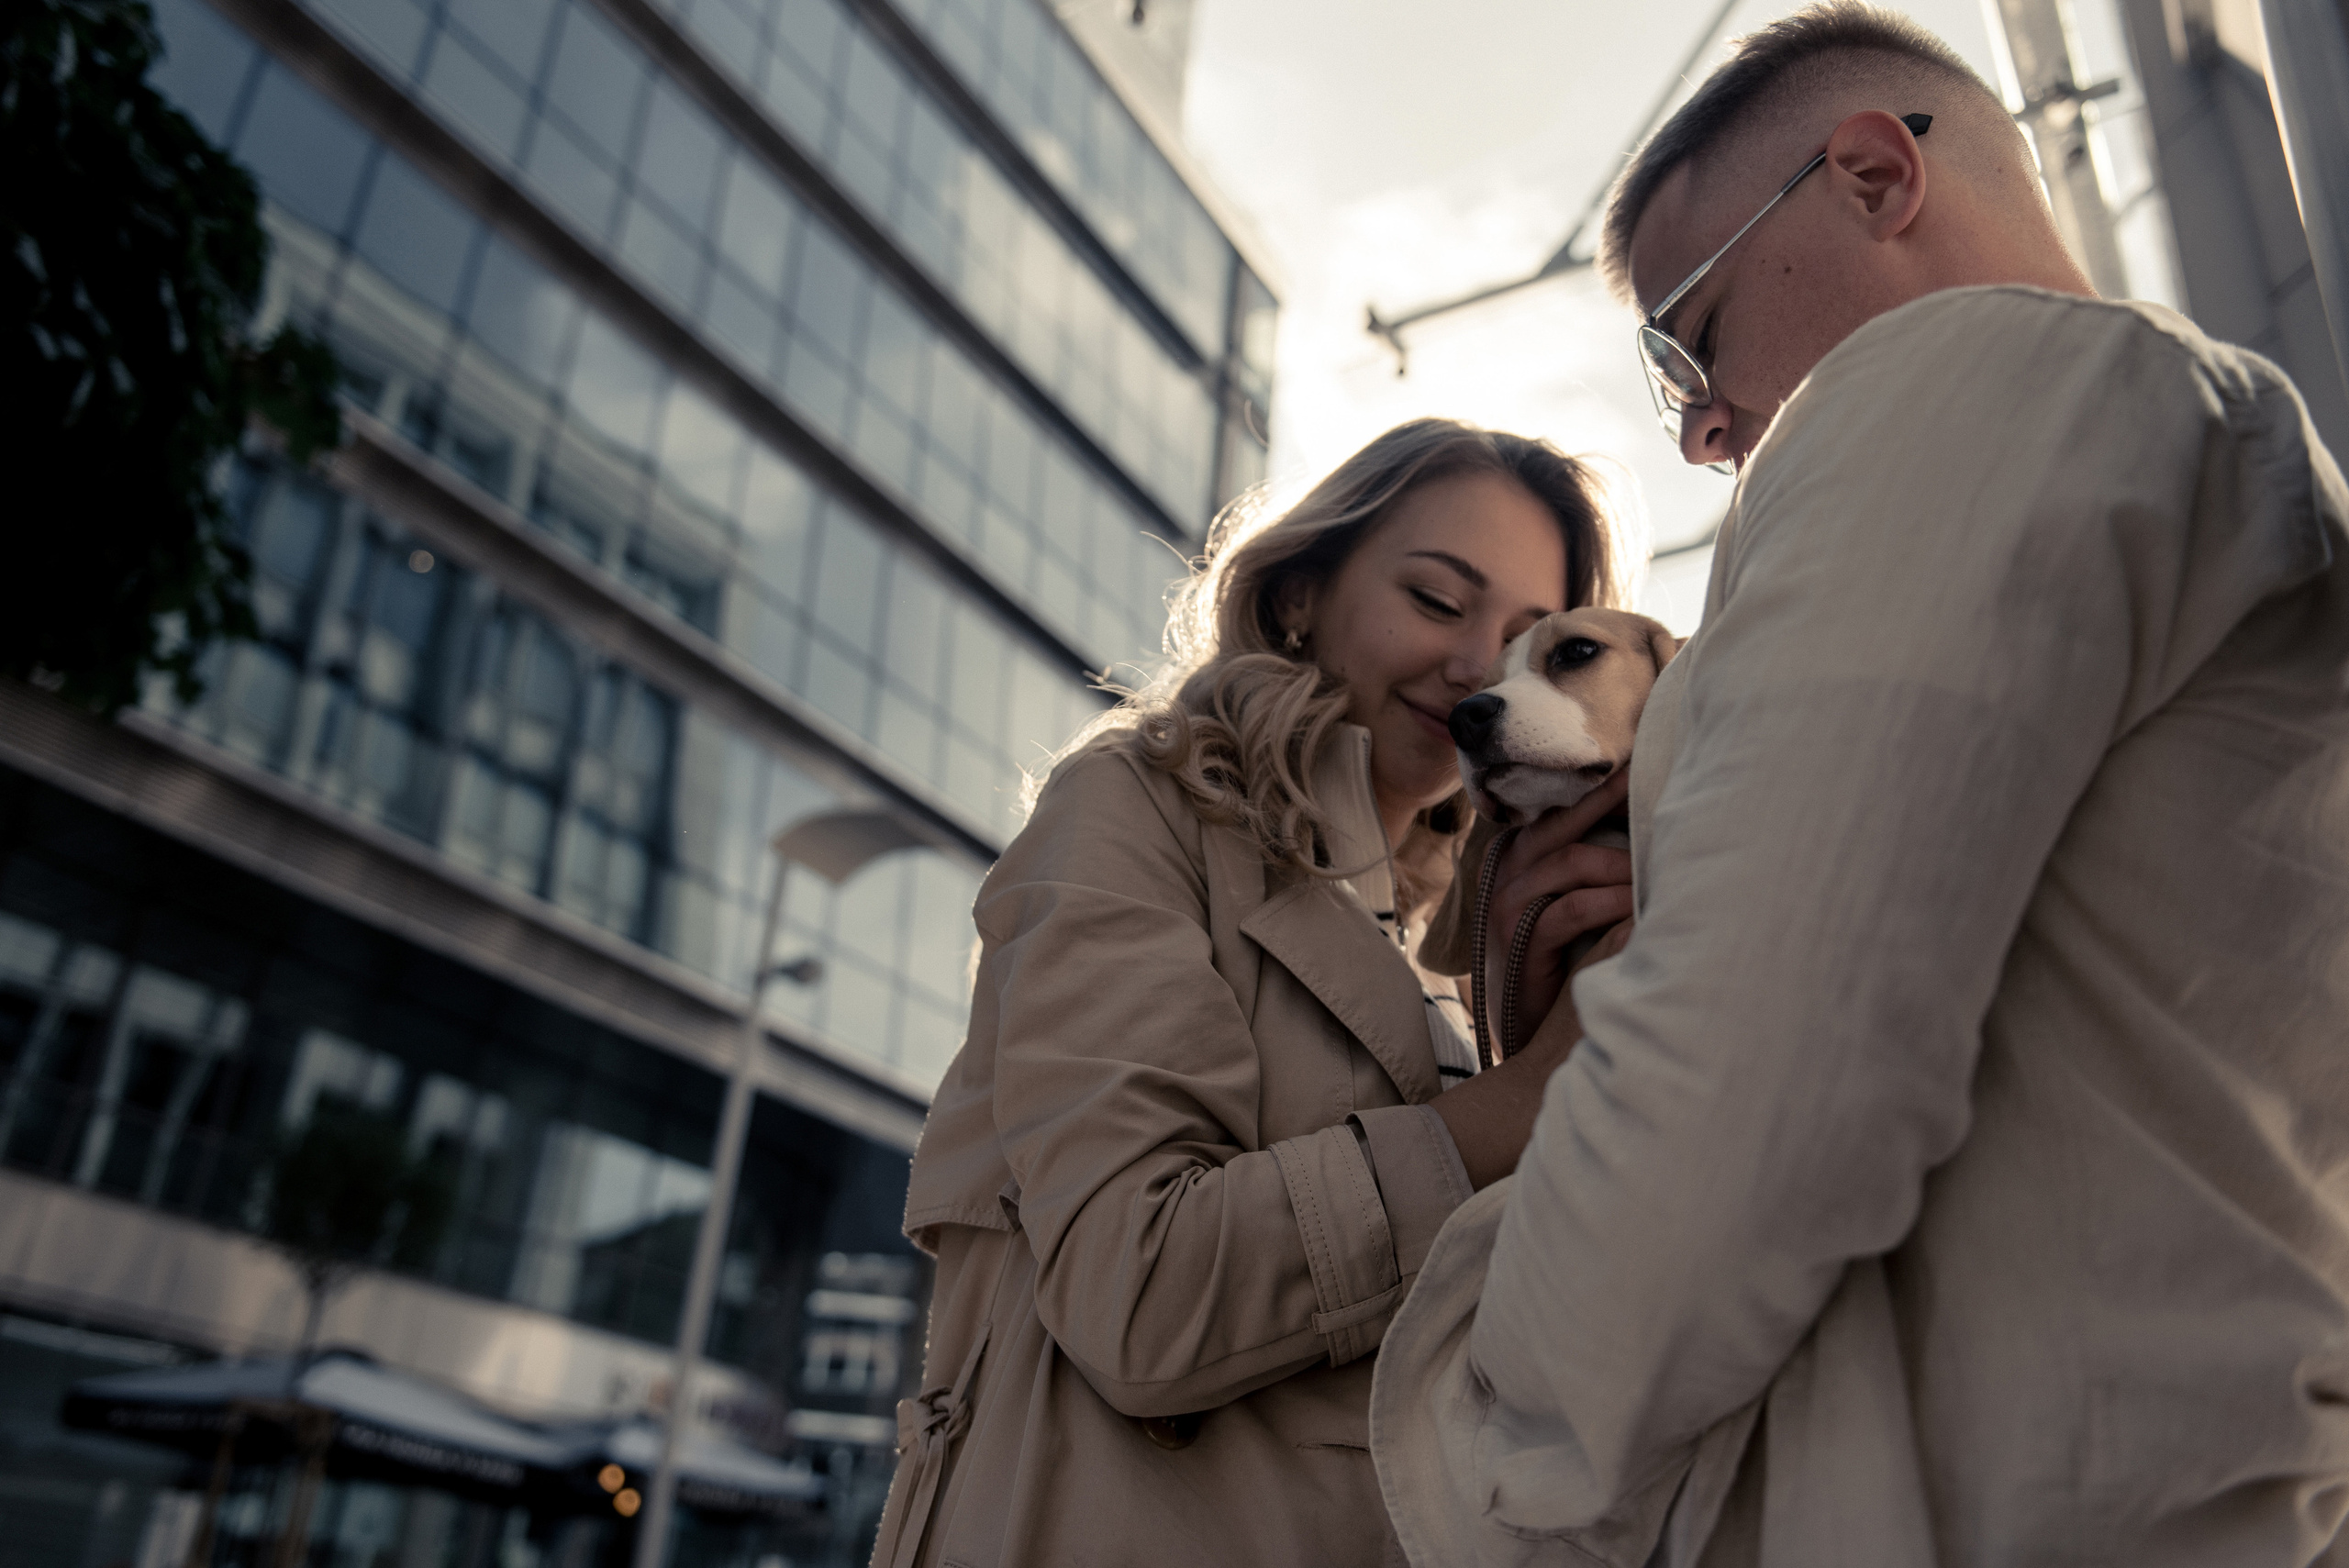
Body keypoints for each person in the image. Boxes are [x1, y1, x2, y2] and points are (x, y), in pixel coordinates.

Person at [1370, 6, 2349, 1565]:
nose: (1697, 426)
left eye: (1693, 338)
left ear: (1875, 177)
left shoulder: (1965, 375)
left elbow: (1751, 1073)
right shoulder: (2209, 459)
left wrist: (1483, 1414)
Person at [867, 418, 1642, 1568]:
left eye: (1537, 641)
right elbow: (1137, 1288)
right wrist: (1527, 1098)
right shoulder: (1135, 810)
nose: (1483, 667)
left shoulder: (1456, 948)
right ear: (1300, 594)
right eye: (1435, 600)